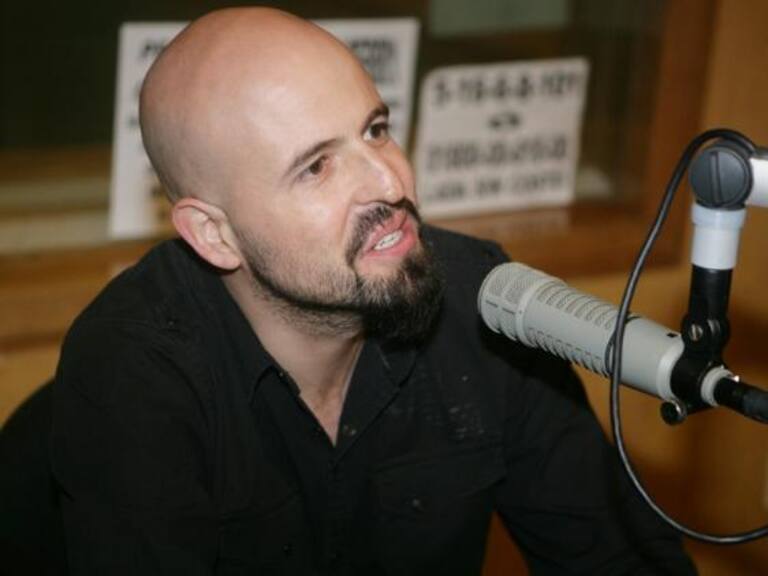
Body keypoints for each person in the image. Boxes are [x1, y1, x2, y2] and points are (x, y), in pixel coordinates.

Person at [51, 7, 697, 575]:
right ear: (215, 235)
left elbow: (619, 560)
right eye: (316, 167)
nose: (389, 184)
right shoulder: (132, 370)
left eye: (375, 130)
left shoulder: (484, 304)